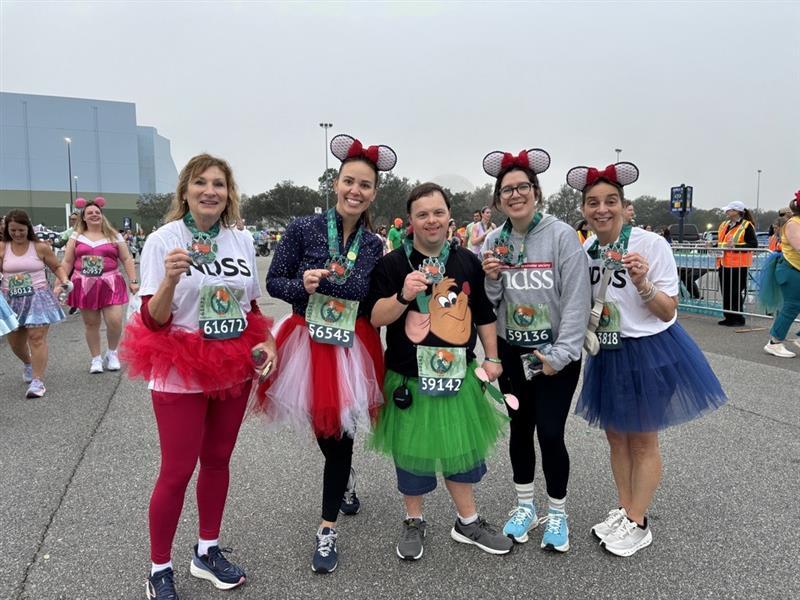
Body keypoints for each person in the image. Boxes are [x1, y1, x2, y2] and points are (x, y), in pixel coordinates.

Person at [119, 154, 275, 599]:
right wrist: (169, 280)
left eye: (219, 184)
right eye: (201, 183)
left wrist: (265, 344)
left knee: (219, 460)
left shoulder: (240, 240)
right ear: (185, 190)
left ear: (229, 194)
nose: (211, 191)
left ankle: (206, 550)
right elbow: (152, 320)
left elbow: (252, 307)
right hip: (179, 363)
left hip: (231, 364)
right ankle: (159, 568)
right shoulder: (162, 240)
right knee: (176, 469)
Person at [567, 161, 727, 557]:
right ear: (584, 210)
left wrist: (642, 282)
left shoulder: (651, 245)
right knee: (615, 435)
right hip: (608, 350)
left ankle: (639, 522)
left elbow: (668, 310)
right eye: (592, 203)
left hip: (651, 350)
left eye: (610, 201)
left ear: (624, 205)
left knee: (642, 439)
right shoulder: (587, 250)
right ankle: (625, 509)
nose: (601, 209)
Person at [251, 134, 392, 574]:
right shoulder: (301, 228)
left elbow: (372, 300)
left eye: (365, 185)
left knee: (341, 436)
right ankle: (344, 475)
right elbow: (274, 283)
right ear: (335, 183)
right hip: (307, 342)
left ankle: (327, 527)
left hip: (352, 346)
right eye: (349, 181)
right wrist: (303, 285)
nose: (356, 191)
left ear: (373, 193)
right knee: (326, 434)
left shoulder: (373, 244)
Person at [367, 182, 512, 562]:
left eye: (437, 212)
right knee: (411, 454)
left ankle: (468, 521)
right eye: (422, 214)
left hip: (456, 375)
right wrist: (402, 294)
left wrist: (493, 359)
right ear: (410, 222)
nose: (431, 220)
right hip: (408, 377)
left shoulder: (466, 262)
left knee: (460, 450)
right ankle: (413, 520)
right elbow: (375, 317)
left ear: (450, 217)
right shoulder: (392, 264)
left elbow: (483, 315)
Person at [480, 149, 590, 552]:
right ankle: (525, 506)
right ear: (497, 200)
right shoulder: (495, 240)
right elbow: (490, 304)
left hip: (556, 357)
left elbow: (577, 300)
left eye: (522, 187)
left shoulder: (561, 236)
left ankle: (557, 513)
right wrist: (491, 279)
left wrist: (561, 354)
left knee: (550, 432)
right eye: (506, 190)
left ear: (536, 192)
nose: (514, 195)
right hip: (513, 354)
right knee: (520, 430)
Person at [60, 197, 139, 373]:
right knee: (91, 323)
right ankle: (95, 358)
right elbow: (67, 260)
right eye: (90, 213)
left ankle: (112, 352)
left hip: (110, 282)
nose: (94, 215)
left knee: (115, 321)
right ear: (84, 217)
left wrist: (133, 281)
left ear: (102, 215)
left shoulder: (114, 235)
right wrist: (60, 282)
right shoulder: (77, 236)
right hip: (85, 282)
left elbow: (126, 258)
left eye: (97, 212)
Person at [1, 209, 69, 398]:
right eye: (13, 230)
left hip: (38, 298)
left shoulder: (40, 247)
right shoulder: (2, 247)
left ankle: (38, 382)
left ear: (28, 228)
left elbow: (56, 266)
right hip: (11, 300)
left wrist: (64, 280)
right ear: (7, 229)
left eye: (21, 230)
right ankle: (29, 363)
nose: (17, 234)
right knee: (15, 343)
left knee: (37, 338)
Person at [762, 193, 800, 358]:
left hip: (795, 269)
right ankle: (774, 342)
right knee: (791, 306)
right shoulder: (793, 223)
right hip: (791, 269)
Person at [716, 201, 758, 327]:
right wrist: (712, 245)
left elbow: (753, 244)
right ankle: (728, 316)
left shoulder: (747, 225)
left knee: (735, 291)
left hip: (739, 264)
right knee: (726, 291)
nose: (726, 212)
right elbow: (721, 242)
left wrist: (736, 246)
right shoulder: (724, 224)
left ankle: (738, 318)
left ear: (736, 211)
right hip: (723, 262)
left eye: (729, 210)